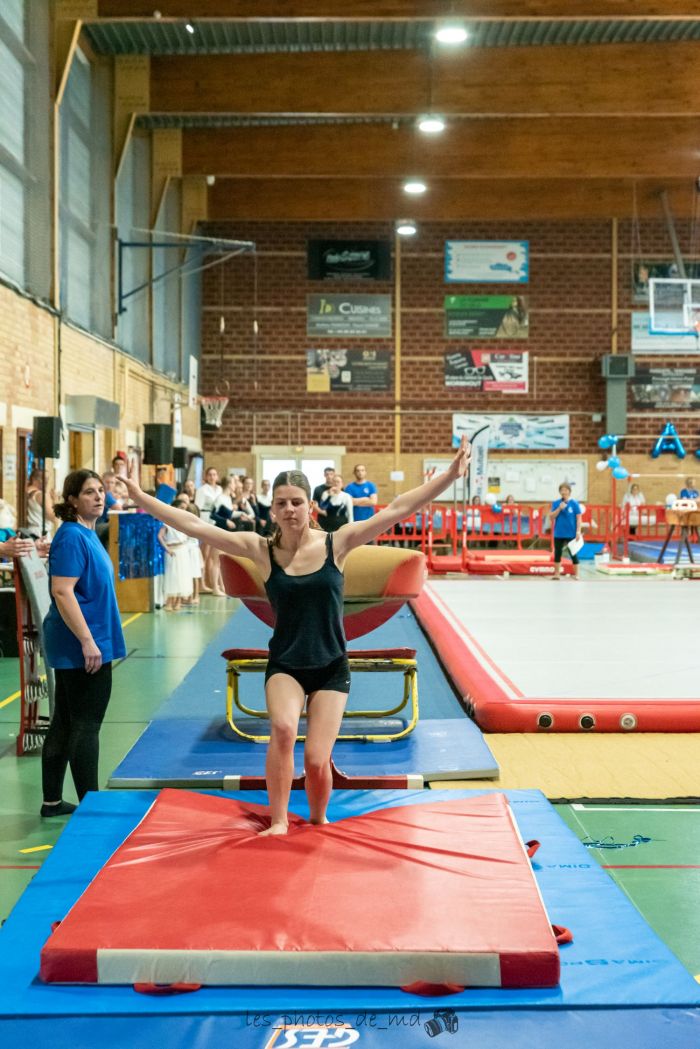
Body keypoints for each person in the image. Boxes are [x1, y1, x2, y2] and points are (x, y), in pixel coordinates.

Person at [122, 436, 471, 835]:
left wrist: (448, 476)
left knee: (318, 760)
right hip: (285, 664)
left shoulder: (337, 544)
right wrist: (140, 497)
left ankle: (320, 819)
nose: (289, 509)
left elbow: (398, 508)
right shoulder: (259, 549)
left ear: (311, 507)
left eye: (296, 502)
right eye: (282, 503)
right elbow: (194, 524)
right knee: (284, 730)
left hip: (331, 666)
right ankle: (279, 820)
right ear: (271, 509)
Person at [40, 470, 126, 816]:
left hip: (89, 638)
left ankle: (52, 801)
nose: (98, 496)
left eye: (101, 491)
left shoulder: (86, 533)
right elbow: (62, 590)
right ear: (72, 499)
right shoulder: (72, 536)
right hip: (83, 642)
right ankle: (92, 805)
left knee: (64, 721)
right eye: (89, 492)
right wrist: (88, 641)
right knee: (87, 724)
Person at [157, 499, 193, 611]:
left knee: (182, 576)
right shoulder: (167, 522)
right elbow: (160, 536)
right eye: (181, 507)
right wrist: (167, 549)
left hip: (182, 549)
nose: (183, 510)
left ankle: (178, 601)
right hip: (173, 551)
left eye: (185, 508)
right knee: (172, 576)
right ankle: (169, 602)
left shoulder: (184, 521)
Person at [194, 466, 222, 592]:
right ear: (205, 477)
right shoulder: (202, 490)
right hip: (205, 519)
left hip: (217, 520)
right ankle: (202, 583)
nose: (212, 477)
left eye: (214, 474)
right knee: (204, 554)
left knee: (214, 555)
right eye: (209, 474)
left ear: (217, 476)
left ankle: (212, 582)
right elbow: (197, 508)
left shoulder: (220, 489)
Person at [550, 483, 582, 580]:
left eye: (566, 490)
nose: (564, 492)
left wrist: (578, 532)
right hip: (559, 533)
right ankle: (557, 574)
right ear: (560, 492)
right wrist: (559, 508)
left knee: (573, 553)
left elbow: (579, 518)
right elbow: (551, 517)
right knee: (557, 553)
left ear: (569, 491)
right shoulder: (556, 503)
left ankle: (577, 574)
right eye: (562, 490)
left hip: (571, 533)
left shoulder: (574, 503)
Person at [25, 467, 57, 538]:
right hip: (42, 533)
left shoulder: (26, 492)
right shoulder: (42, 495)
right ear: (34, 479)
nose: (46, 482)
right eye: (44, 479)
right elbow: (52, 517)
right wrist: (55, 501)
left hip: (29, 531)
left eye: (47, 479)